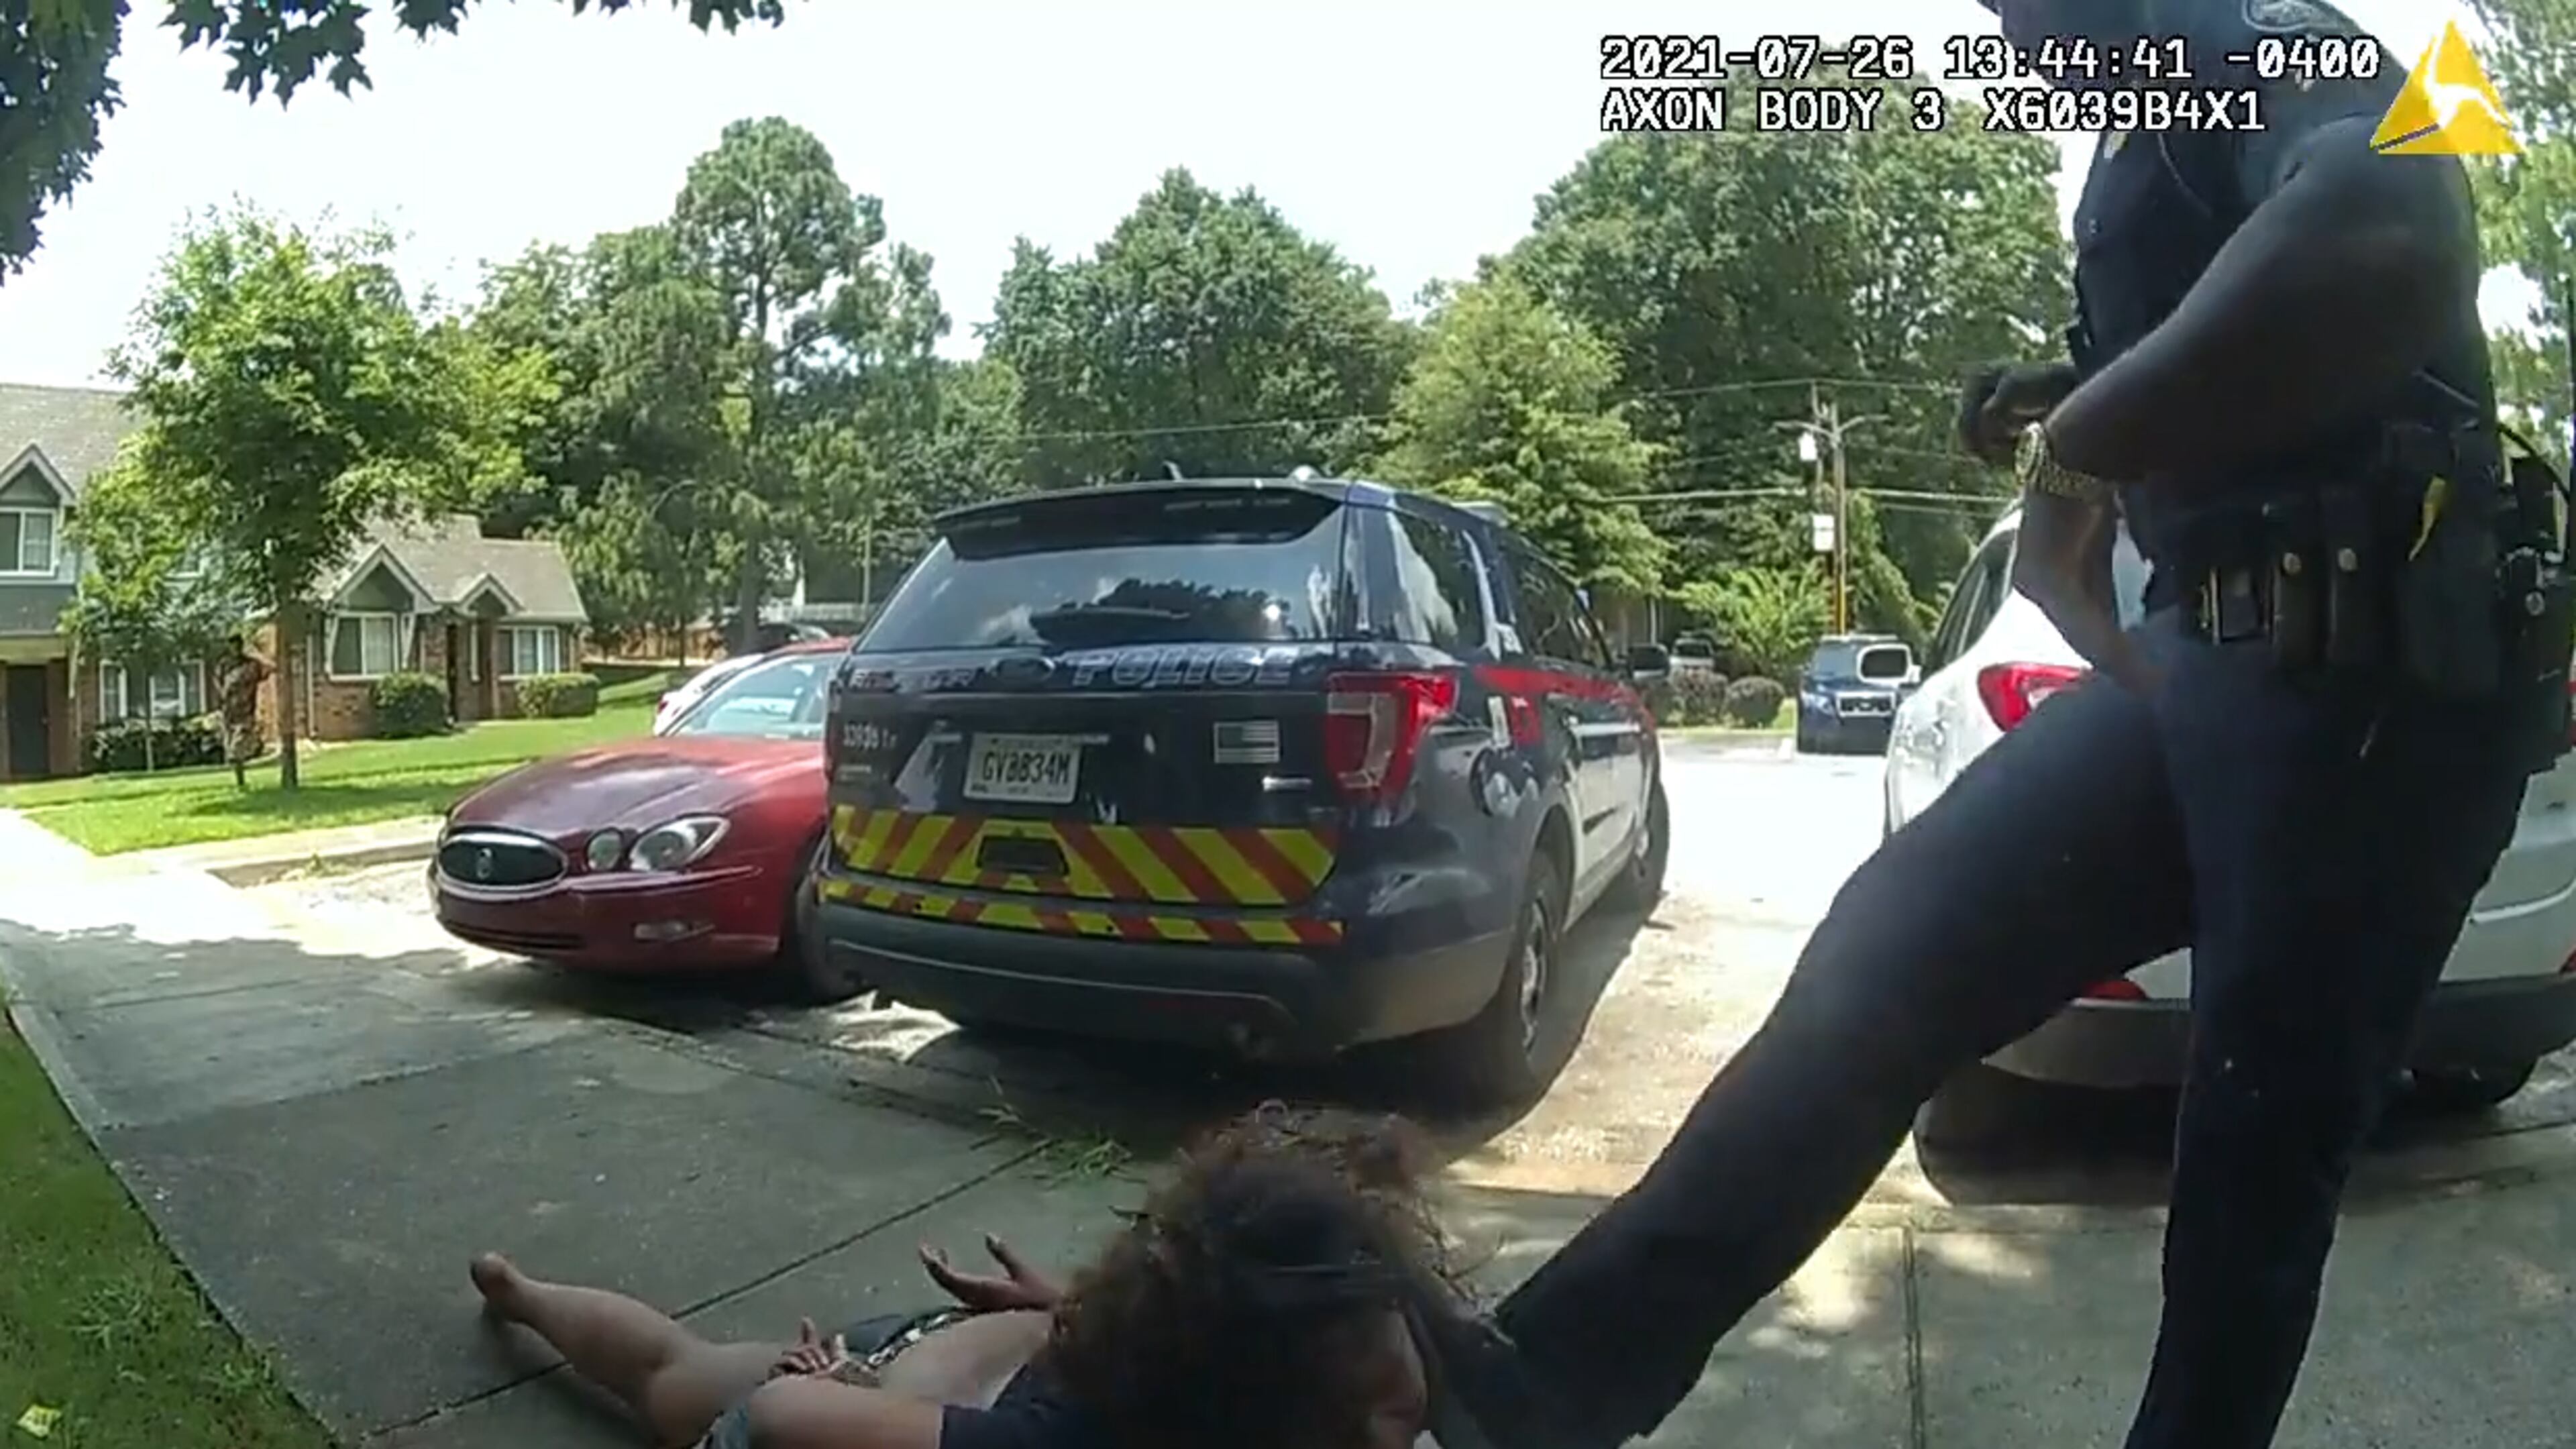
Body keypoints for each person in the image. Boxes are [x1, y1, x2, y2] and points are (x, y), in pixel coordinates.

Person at [1417, 3, 2572, 1449]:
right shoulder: (2144, 136)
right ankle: (1543, 1390)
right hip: (2211, 656)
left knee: (2254, 1151)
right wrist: (2075, 385)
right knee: (1886, 957)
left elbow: (2388, 237)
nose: (2015, 42)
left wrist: (2085, 451)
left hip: (2381, 676)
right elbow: (2243, 365)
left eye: (2026, 11)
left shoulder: (2269, 34)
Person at [469, 1110, 1446, 1449]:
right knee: (682, 1394)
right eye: (1373, 1429)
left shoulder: (1232, 1364)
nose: (1403, 1440)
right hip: (870, 1394)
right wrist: (822, 1388)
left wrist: (1071, 1309)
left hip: (997, 1358)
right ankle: (520, 1293)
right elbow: (784, 1425)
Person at [215, 637, 268, 790]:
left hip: (246, 712)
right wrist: (224, 698)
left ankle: (248, 750)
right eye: (232, 646)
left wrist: (257, 654)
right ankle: (241, 782)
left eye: (238, 646)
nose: (235, 650)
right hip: (229, 712)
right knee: (233, 753)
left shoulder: (251, 664)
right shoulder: (224, 665)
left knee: (236, 749)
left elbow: (272, 668)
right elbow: (218, 684)